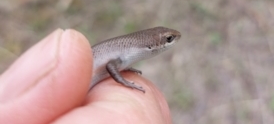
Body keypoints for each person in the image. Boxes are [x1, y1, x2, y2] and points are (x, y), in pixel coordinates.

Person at [0, 29, 171, 124]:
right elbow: (111, 66)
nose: (172, 41)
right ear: (152, 45)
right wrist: (124, 82)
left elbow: (114, 65)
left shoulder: (125, 54)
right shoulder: (124, 54)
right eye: (169, 39)